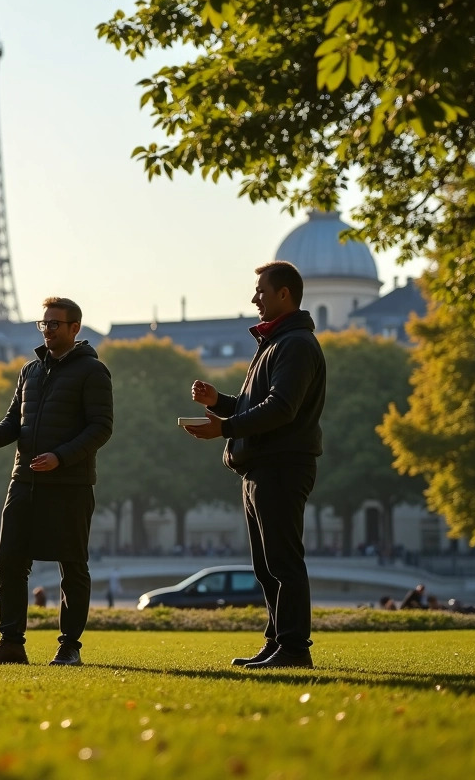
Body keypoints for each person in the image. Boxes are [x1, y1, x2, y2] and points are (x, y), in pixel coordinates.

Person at [184, 261, 326, 670]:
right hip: (262, 466)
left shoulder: (294, 344)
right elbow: (260, 406)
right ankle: (278, 642)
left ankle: (295, 649)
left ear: (285, 295)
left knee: (282, 562)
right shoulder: (277, 343)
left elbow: (281, 409)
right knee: (267, 567)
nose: (254, 298)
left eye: (261, 291)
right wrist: (220, 402)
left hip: (280, 465)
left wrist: (225, 426)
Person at [0, 296, 113, 667]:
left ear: (74, 328)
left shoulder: (93, 372)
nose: (47, 330)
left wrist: (61, 457)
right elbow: (14, 423)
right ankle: (11, 643)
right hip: (24, 480)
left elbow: (101, 428)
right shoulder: (30, 371)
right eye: (43, 324)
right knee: (10, 561)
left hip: (70, 485)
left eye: (54, 324)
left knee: (72, 566)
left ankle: (69, 647)